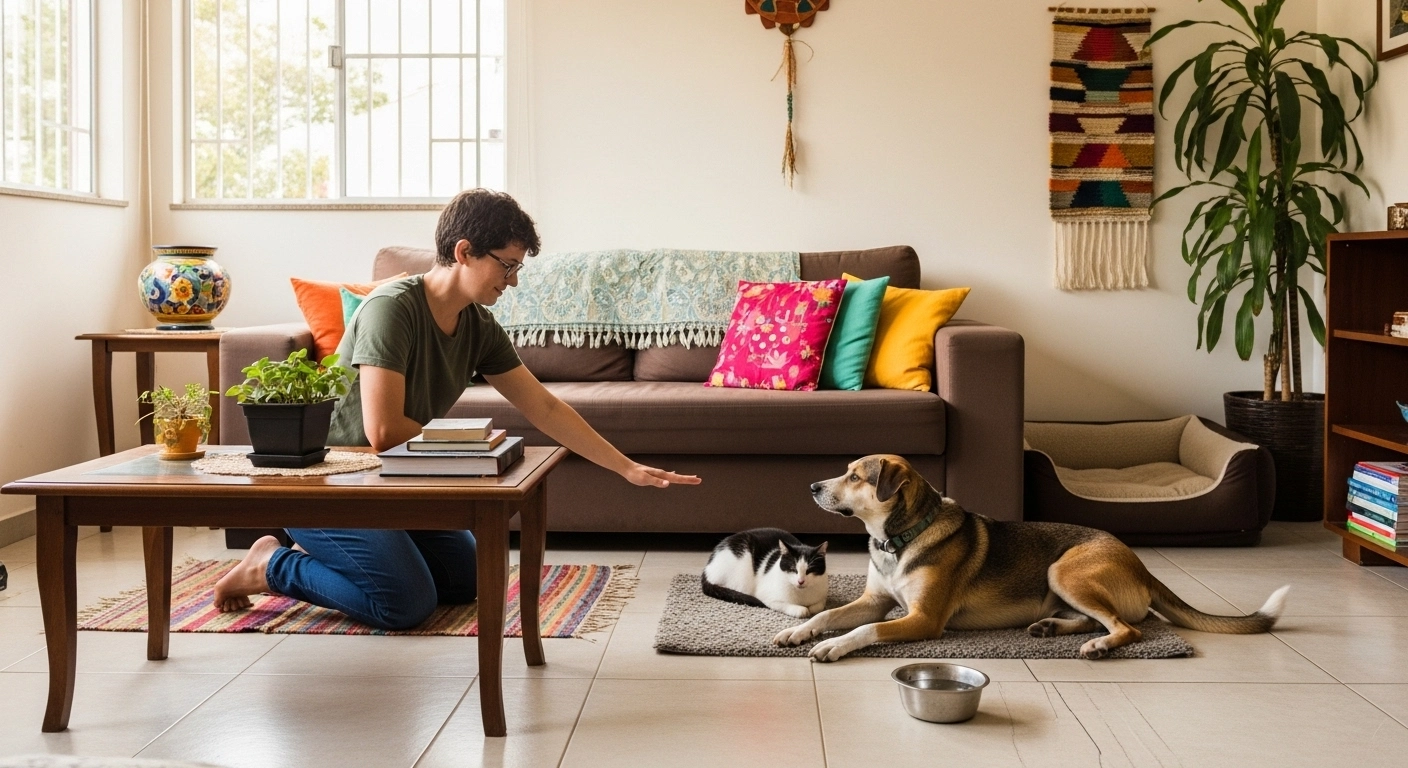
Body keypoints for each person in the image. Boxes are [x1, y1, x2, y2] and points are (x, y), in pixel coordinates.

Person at [212, 189, 701, 628]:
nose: (512, 281)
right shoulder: (391, 308)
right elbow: (381, 431)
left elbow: (544, 407)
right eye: (507, 265)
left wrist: (627, 467)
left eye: (518, 268)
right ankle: (272, 564)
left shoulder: (477, 324)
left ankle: (357, 555)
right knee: (405, 604)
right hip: (335, 483)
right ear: (464, 251)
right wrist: (473, 452)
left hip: (394, 483)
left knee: (468, 580)